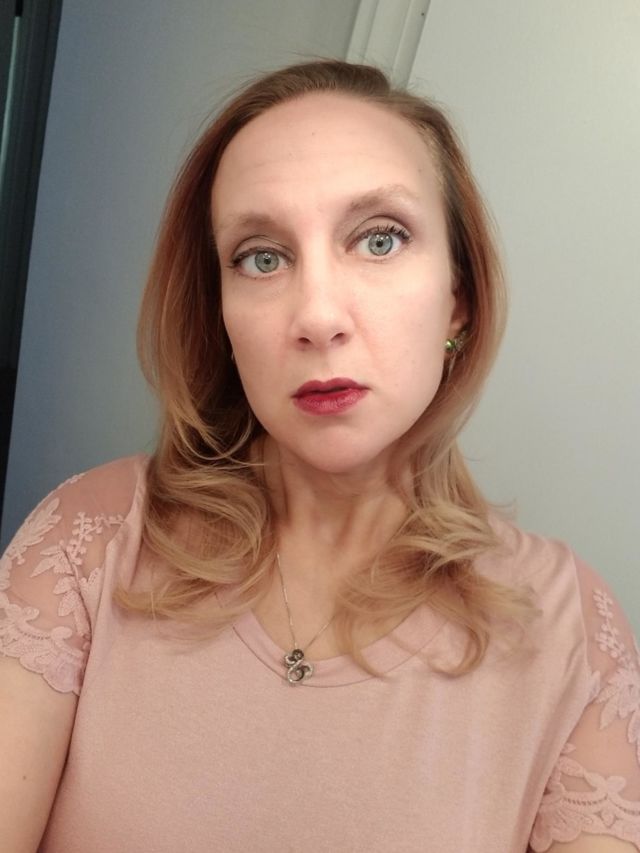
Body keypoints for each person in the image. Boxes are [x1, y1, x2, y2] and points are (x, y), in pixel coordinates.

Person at [1, 59, 638, 853]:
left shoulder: (569, 629)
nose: (317, 315)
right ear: (221, 314)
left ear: (459, 298)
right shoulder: (86, 544)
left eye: (380, 238)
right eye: (262, 257)